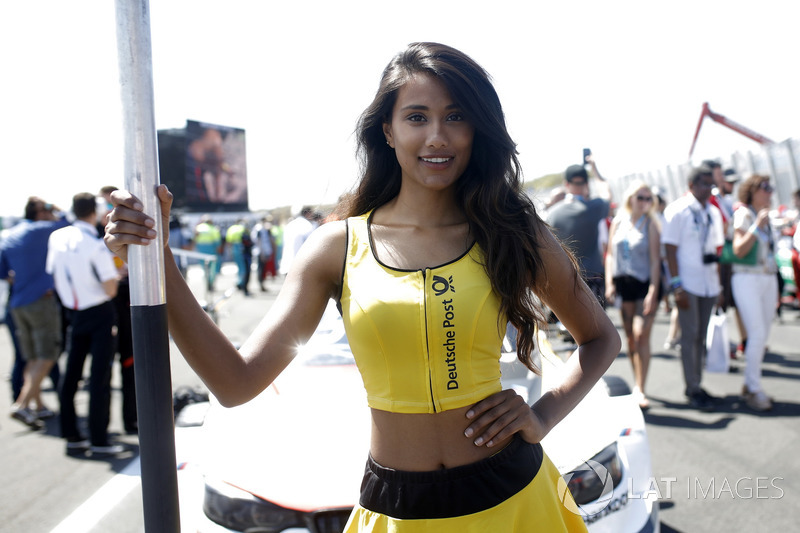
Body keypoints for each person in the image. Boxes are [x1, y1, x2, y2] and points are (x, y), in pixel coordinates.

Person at [105, 42, 619, 531]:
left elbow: (600, 338)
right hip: (396, 509)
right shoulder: (337, 247)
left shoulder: (513, 230)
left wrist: (543, 413)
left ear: (476, 130)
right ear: (389, 132)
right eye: (417, 117)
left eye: (456, 116)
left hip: (515, 498)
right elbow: (235, 382)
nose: (437, 135)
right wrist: (161, 261)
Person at [47, 193, 123, 455]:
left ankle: (71, 433)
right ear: (95, 212)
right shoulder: (94, 244)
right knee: (100, 377)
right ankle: (99, 438)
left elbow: (53, 273)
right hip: (99, 312)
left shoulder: (57, 238)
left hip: (72, 312)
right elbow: (110, 288)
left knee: (71, 376)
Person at [0, 197, 69, 428]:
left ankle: (38, 405)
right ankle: (22, 405)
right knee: (48, 354)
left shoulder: (11, 234)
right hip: (40, 302)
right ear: (40, 213)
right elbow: (67, 221)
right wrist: (55, 209)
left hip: (17, 302)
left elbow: (3, 271)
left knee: (31, 357)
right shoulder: (43, 229)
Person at [662, 165, 725, 411]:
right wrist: (677, 286)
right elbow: (670, 251)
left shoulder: (713, 211)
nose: (709, 188)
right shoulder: (677, 211)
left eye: (711, 184)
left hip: (708, 283)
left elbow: (716, 251)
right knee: (690, 337)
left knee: (700, 337)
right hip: (688, 285)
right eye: (704, 184)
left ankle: (697, 384)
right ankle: (692, 388)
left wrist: (718, 286)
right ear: (691, 186)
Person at [604, 181, 661, 409]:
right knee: (629, 337)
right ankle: (637, 381)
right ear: (631, 199)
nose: (645, 203)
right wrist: (609, 282)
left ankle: (641, 388)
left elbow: (656, 260)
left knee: (641, 335)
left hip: (645, 284)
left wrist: (654, 291)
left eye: (649, 199)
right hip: (623, 284)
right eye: (641, 198)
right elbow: (609, 254)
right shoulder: (618, 222)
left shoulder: (651, 224)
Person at [730, 175, 778, 411]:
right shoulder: (745, 215)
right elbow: (739, 250)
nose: (769, 192)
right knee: (757, 334)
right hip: (748, 278)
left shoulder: (767, 218)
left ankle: (750, 385)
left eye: (770, 188)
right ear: (752, 191)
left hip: (767, 277)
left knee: (763, 333)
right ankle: (753, 388)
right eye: (765, 188)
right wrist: (757, 226)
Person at [546, 156, 611, 307]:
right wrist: (594, 168)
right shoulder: (594, 208)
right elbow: (606, 192)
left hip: (564, 278)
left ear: (566, 184)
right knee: (596, 326)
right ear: (586, 184)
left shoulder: (553, 213)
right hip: (592, 276)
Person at [100, 185, 138, 434]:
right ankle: (100, 430)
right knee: (101, 373)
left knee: (129, 363)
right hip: (100, 305)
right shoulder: (92, 234)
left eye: (112, 205)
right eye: (104, 205)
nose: (108, 211)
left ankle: (131, 420)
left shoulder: (128, 226)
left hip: (124, 295)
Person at [277, 207, 316, 275]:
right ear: (308, 213)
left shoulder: (290, 225)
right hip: (301, 265)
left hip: (288, 263)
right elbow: (312, 245)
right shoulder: (307, 225)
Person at [193, 215, 222, 291]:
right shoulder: (213, 229)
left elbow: (194, 239)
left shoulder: (198, 228)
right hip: (211, 251)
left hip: (201, 251)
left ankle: (207, 283)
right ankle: (211, 283)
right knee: (213, 269)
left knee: (204, 269)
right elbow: (217, 242)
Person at [252, 215, 277, 291]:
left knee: (263, 269)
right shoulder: (259, 229)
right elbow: (259, 242)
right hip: (260, 252)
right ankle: (261, 284)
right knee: (261, 269)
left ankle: (262, 284)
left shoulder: (263, 228)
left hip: (264, 251)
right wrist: (262, 253)